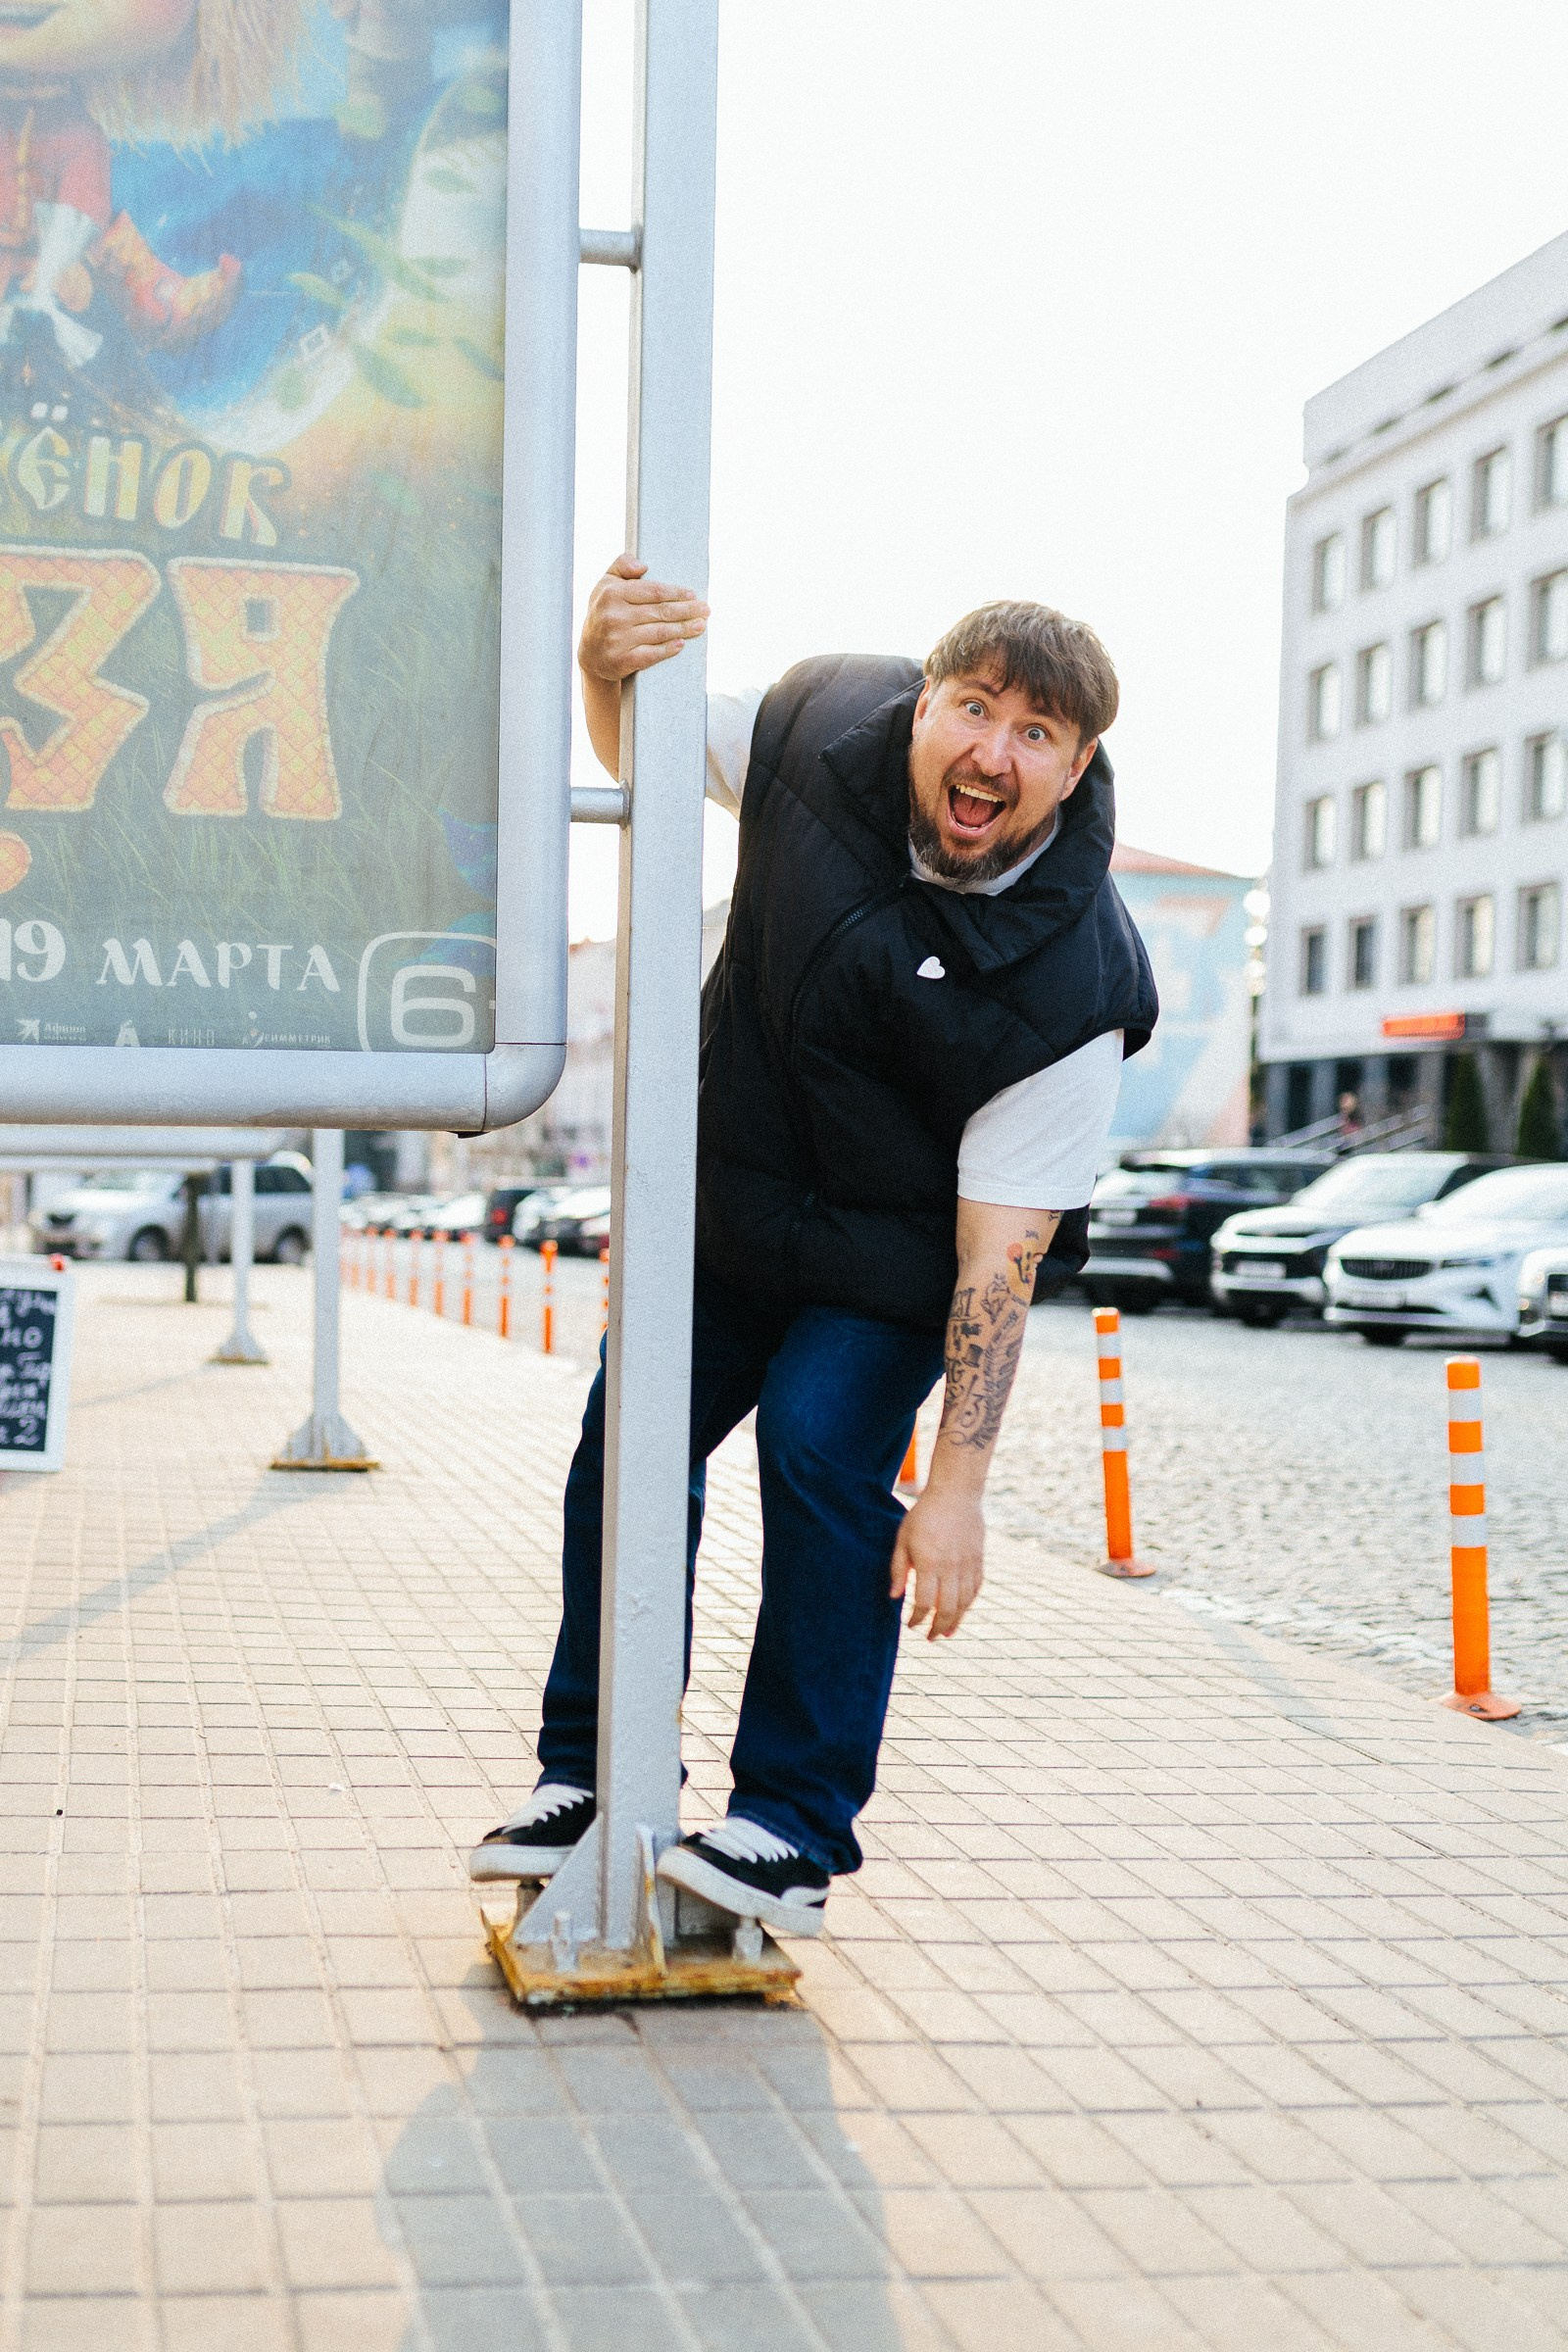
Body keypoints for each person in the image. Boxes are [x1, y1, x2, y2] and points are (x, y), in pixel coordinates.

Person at [469, 557, 1158, 1936]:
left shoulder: (1081, 980)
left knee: (821, 1447)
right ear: (919, 706)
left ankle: (791, 1824)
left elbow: (1000, 1261)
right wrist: (602, 663)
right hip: (727, 1215)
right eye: (974, 708)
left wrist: (956, 1486)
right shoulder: (809, 723)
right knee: (629, 1438)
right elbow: (642, 752)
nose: (993, 752)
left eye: (1038, 736)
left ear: (1075, 772)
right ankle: (594, 1774)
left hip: (892, 1269)